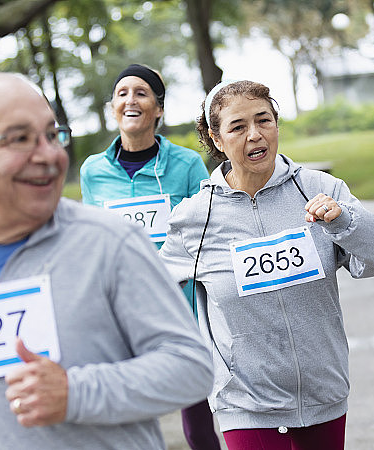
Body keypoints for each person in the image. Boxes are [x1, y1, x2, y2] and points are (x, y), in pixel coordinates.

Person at [0, 72, 213, 448]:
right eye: (20, 139)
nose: (51, 155)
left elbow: (192, 369)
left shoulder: (112, 242)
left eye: (52, 136)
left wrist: (76, 393)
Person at [159, 80, 374, 449]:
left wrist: (344, 222)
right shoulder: (195, 218)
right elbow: (150, 290)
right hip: (245, 403)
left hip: (323, 394)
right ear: (216, 139)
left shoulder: (320, 188)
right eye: (238, 127)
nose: (255, 135)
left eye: (264, 121)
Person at [79, 64, 218, 450]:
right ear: (112, 108)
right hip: (120, 304)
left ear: (158, 108)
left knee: (197, 420)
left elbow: (204, 230)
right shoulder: (93, 171)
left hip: (180, 303)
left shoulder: (187, 164)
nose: (130, 100)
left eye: (141, 93)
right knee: (127, 413)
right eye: (122, 93)